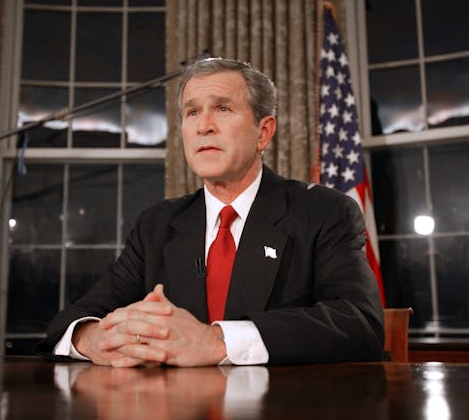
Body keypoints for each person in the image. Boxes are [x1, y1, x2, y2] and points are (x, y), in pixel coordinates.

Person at [36, 57, 384, 366]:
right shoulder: (157, 225)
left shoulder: (323, 212)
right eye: (191, 112)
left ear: (263, 132)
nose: (204, 125)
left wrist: (215, 342)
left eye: (222, 108)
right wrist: (93, 338)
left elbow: (359, 324)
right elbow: (72, 320)